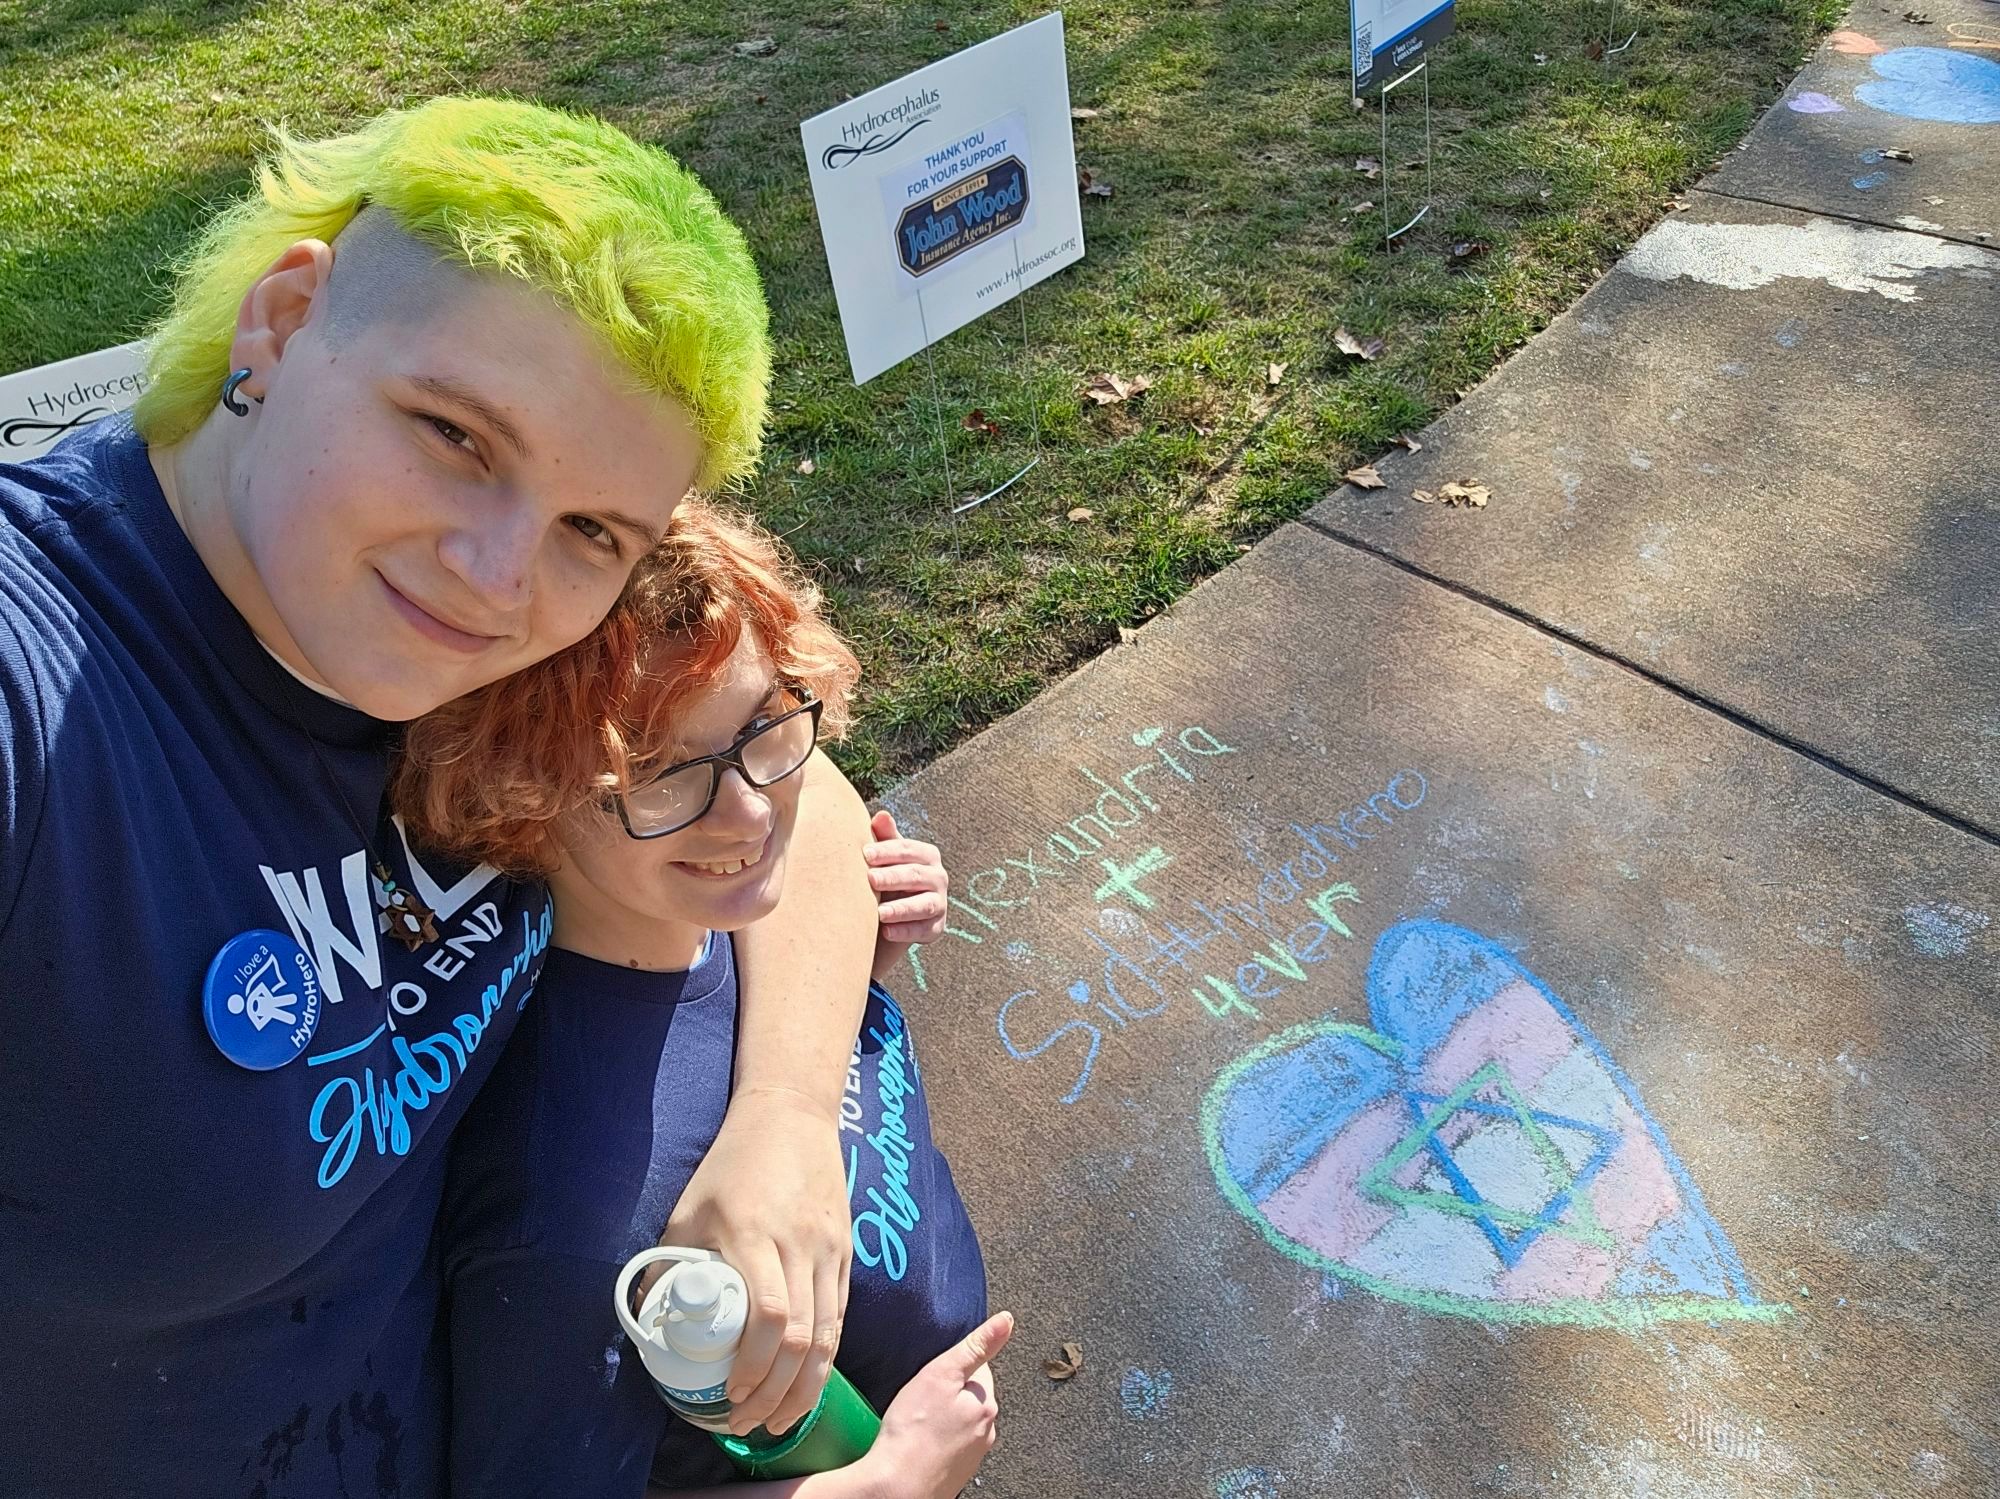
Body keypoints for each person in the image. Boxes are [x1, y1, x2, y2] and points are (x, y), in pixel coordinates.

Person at [0, 96, 873, 1496]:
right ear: (283, 323)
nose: (496, 571)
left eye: (594, 527)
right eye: (454, 433)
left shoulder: (451, 612)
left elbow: (803, 775)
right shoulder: (49, 682)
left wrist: (784, 1114)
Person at [396, 502, 1003, 1498]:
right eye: (664, 773)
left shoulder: (719, 912)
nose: (752, 811)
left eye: (765, 724)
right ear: (521, 790)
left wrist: (855, 972)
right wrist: (886, 1482)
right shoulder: (565, 1214)